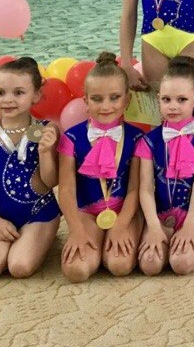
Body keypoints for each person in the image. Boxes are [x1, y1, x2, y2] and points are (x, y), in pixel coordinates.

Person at [58, 53, 143, 282]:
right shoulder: (71, 138)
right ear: (85, 100)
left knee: (119, 265)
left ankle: (124, 235)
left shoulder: (137, 138)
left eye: (114, 97)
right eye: (97, 99)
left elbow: (135, 189)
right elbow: (66, 190)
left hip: (124, 211)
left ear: (127, 99)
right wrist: (75, 229)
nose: (106, 106)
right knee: (77, 271)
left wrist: (121, 225)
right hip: (86, 213)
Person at [136, 57, 194, 275]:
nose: (173, 106)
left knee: (180, 264)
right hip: (159, 217)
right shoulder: (149, 140)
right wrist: (154, 227)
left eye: (182, 100)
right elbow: (145, 189)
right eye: (166, 99)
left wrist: (189, 226)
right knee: (149, 265)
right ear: (158, 99)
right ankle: (164, 239)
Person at [0, 57, 59, 280]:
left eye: (19, 93)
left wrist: (45, 152)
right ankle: (14, 235)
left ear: (36, 95)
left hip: (39, 213)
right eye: (0, 93)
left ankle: (44, 235)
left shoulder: (46, 130)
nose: (8, 100)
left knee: (19, 267)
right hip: (0, 215)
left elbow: (51, 182)